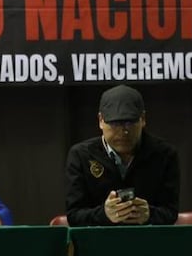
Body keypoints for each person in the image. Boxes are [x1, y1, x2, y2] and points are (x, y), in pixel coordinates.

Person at [65, 85, 179, 226]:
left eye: (129, 123)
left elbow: (170, 213)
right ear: (101, 120)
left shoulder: (164, 155)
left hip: (149, 241)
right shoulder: (81, 155)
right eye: (114, 123)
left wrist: (149, 214)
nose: (123, 131)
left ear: (142, 119)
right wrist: (104, 214)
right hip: (99, 242)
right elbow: (74, 216)